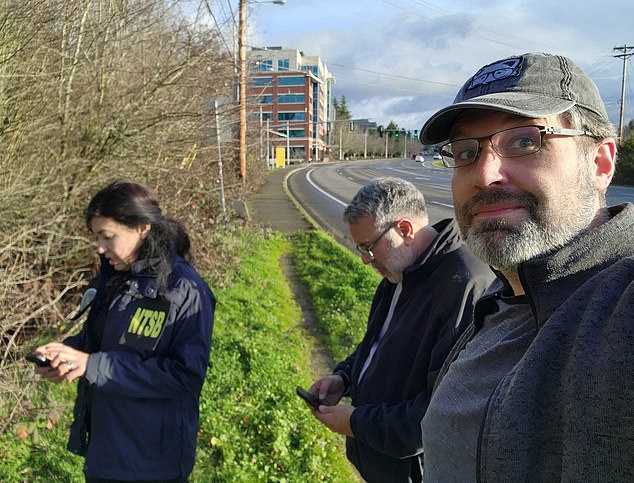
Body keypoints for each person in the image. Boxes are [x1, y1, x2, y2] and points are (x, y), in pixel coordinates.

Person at [418, 52, 634, 481]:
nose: (484, 174)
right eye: (465, 150)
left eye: (523, 141)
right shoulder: (500, 300)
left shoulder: (619, 306)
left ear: (601, 163)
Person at [306, 177, 495, 482]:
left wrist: (355, 423)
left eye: (369, 247)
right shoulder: (398, 272)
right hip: (379, 461)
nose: (365, 260)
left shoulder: (464, 285)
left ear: (404, 229)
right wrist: (342, 378)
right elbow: (376, 345)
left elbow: (439, 415)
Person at [33, 180, 216, 482]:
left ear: (142, 228)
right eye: (96, 237)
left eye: (107, 237)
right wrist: (68, 355)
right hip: (106, 451)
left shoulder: (185, 290)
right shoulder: (117, 278)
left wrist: (93, 365)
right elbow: (106, 341)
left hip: (152, 465)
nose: (99, 248)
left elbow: (185, 376)